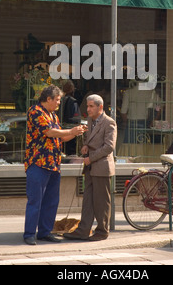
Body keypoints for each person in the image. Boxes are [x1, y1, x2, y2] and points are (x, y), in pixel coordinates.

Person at [23, 85, 86, 245]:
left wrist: (75, 132)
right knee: (35, 201)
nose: (59, 103)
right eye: (57, 100)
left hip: (53, 163)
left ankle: (45, 232)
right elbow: (49, 132)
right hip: (38, 163)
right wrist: (71, 130)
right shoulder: (35, 111)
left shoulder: (53, 115)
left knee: (51, 201)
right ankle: (29, 234)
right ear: (48, 99)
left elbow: (61, 138)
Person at [63, 94, 117, 241]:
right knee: (88, 200)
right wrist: (85, 146)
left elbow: (109, 147)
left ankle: (102, 230)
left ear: (100, 107)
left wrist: (90, 158)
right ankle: (83, 229)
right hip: (90, 167)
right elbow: (89, 139)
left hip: (101, 167)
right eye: (87, 106)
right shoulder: (90, 120)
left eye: (91, 106)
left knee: (101, 201)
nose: (88, 109)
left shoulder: (109, 122)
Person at [58, 80, 81, 155]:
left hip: (62, 130)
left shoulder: (60, 101)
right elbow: (76, 117)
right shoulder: (72, 101)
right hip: (71, 130)